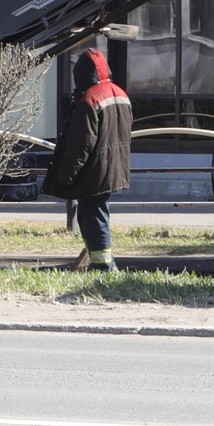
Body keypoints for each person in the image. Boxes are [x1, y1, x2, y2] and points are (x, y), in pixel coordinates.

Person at [47, 48, 132, 272]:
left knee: (93, 216)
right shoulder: (119, 93)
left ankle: (103, 265)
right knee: (98, 212)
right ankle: (102, 261)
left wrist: (66, 175)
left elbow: (80, 144)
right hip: (115, 166)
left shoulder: (90, 99)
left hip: (94, 171)